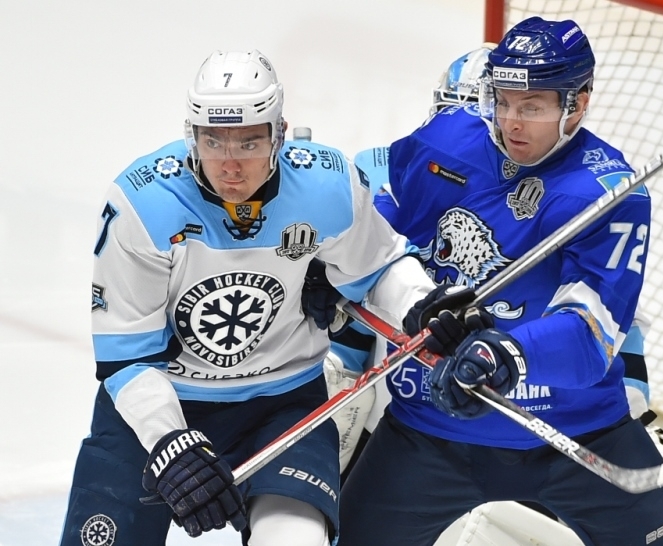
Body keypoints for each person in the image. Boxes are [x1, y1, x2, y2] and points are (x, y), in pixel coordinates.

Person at [334, 18, 663, 546]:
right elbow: (372, 233)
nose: (510, 122)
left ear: (577, 104)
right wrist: (328, 266)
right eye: (502, 101)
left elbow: (591, 335)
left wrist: (505, 352)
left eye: (531, 107)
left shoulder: (606, 192)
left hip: (574, 431)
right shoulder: (446, 142)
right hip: (431, 425)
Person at [58, 49, 440, 546]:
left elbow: (380, 268)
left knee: (295, 540)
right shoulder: (144, 203)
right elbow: (127, 358)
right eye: (213, 141)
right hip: (161, 400)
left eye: (249, 141)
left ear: (279, 135)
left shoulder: (327, 187)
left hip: (282, 403)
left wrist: (426, 306)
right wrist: (170, 441)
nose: (230, 165)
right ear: (192, 135)